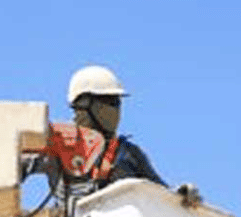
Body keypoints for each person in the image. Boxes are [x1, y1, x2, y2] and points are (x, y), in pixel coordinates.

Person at [67, 65, 201, 204]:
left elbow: (160, 192)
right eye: (108, 101)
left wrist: (180, 195)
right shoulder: (63, 148)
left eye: (117, 102)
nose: (115, 109)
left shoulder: (129, 154)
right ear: (82, 105)